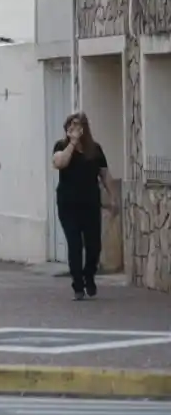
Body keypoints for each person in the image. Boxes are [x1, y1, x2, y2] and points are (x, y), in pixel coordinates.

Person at [51, 112, 117, 300]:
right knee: (74, 244)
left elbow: (105, 174)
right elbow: (59, 163)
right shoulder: (61, 146)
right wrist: (72, 143)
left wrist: (113, 197)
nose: (74, 129)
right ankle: (78, 285)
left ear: (85, 128)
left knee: (94, 246)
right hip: (68, 205)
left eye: (78, 126)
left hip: (90, 203)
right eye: (70, 126)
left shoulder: (95, 150)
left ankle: (89, 275)